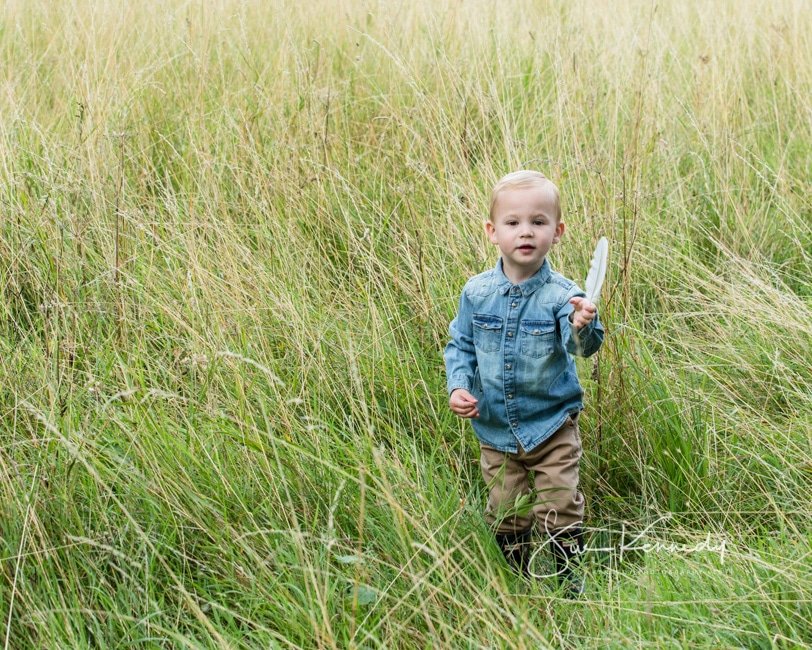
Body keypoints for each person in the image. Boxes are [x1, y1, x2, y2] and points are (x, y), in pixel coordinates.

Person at [444, 170, 604, 597]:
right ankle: (516, 583)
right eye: (513, 223)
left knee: (559, 504)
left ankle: (570, 584)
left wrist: (582, 324)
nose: (526, 232)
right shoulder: (477, 292)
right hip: (495, 428)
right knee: (507, 509)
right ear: (492, 232)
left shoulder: (562, 295)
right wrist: (458, 386)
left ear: (558, 231)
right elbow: (460, 343)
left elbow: (581, 347)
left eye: (539, 221)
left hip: (550, 425)